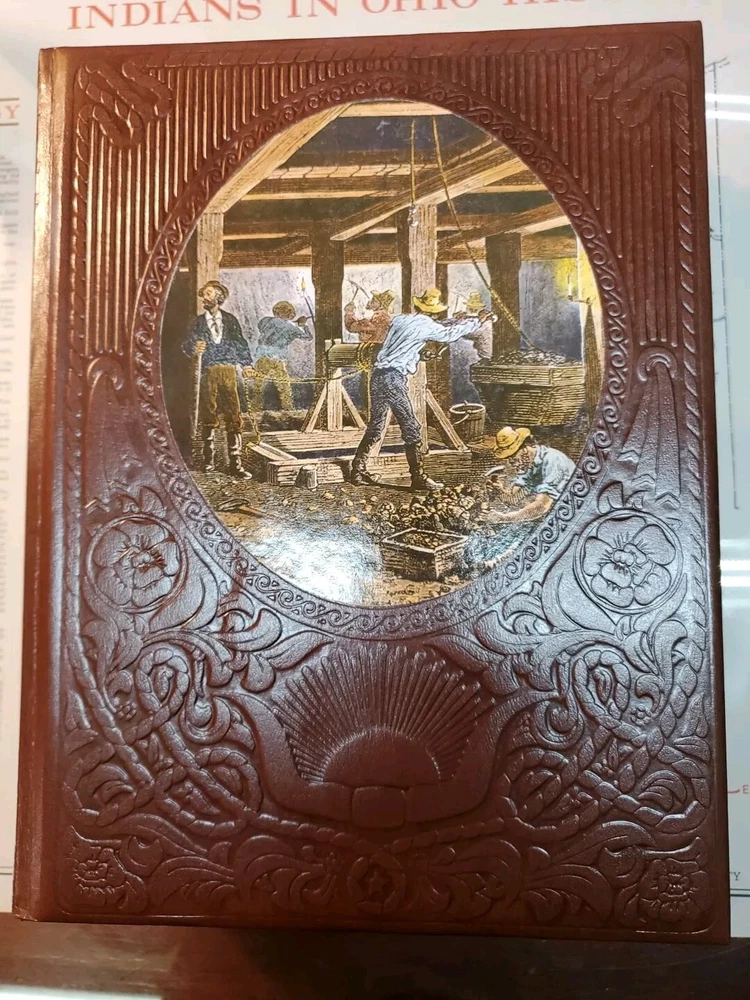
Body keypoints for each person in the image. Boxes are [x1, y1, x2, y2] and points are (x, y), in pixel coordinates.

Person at [350, 287, 494, 492]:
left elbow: (416, 336)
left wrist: (454, 321)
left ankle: (357, 470)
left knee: (376, 426)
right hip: (393, 379)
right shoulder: (428, 326)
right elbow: (449, 334)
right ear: (434, 312)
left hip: (378, 376)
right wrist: (477, 321)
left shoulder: (401, 319)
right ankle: (418, 477)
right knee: (411, 427)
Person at [183, 280, 254, 479]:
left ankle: (236, 464)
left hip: (229, 371)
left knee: (234, 414)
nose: (204, 298)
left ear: (218, 297)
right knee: (209, 413)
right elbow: (186, 345)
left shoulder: (230, 320)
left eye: (208, 294)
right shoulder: (197, 323)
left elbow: (240, 343)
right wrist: (193, 347)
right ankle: (209, 461)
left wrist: (247, 365)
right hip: (208, 371)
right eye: (203, 295)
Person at [484, 427, 575, 521]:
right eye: (508, 458)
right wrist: (499, 491)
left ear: (524, 449)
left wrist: (504, 518)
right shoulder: (528, 466)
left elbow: (541, 506)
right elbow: (515, 498)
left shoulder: (553, 460)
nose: (511, 462)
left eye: (513, 456)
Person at [255, 300, 312, 412]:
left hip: (262, 358)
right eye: (288, 312)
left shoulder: (266, 321)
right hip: (278, 360)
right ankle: (288, 409)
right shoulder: (290, 327)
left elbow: (262, 326)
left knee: (258, 386)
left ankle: (255, 408)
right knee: (284, 387)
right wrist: (302, 325)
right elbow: (307, 337)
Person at [463, 290, 493, 361]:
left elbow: (472, 334)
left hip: (486, 355)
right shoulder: (482, 320)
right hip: (483, 354)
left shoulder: (486, 323)